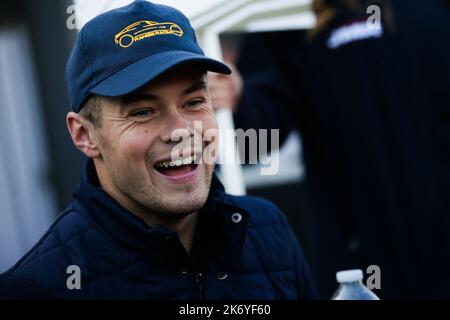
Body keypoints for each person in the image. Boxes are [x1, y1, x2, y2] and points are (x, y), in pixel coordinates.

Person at [0, 0, 316, 300]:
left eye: (193, 103)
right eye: (142, 111)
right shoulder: (37, 287)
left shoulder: (268, 230)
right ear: (84, 135)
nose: (181, 131)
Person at [208, 0, 450, 299]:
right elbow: (256, 139)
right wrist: (240, 99)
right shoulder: (288, 19)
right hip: (354, 257)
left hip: (439, 241)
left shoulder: (432, 13)